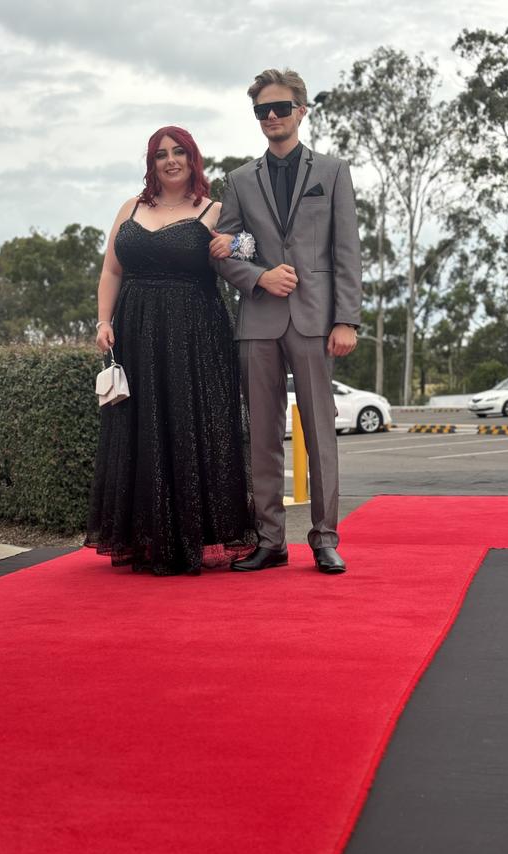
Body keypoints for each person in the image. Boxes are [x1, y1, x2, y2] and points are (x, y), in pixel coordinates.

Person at [210, 68, 362, 574]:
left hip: (317, 320)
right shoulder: (238, 180)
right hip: (258, 322)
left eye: (279, 108)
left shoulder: (333, 172)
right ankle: (271, 540)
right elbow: (224, 251)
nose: (270, 117)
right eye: (261, 111)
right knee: (263, 435)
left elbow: (347, 252)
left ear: (301, 110)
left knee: (319, 431)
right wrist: (258, 277)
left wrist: (348, 320)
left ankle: (324, 538)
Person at [85, 126, 254, 576]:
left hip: (196, 334)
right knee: (142, 429)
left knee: (191, 426)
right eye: (161, 154)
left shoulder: (215, 210)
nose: (171, 161)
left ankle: (195, 536)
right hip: (135, 331)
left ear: (193, 158)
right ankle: (145, 536)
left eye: (179, 152)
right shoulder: (130, 208)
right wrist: (103, 321)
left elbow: (252, 247)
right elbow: (111, 272)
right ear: (151, 163)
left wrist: (233, 242)